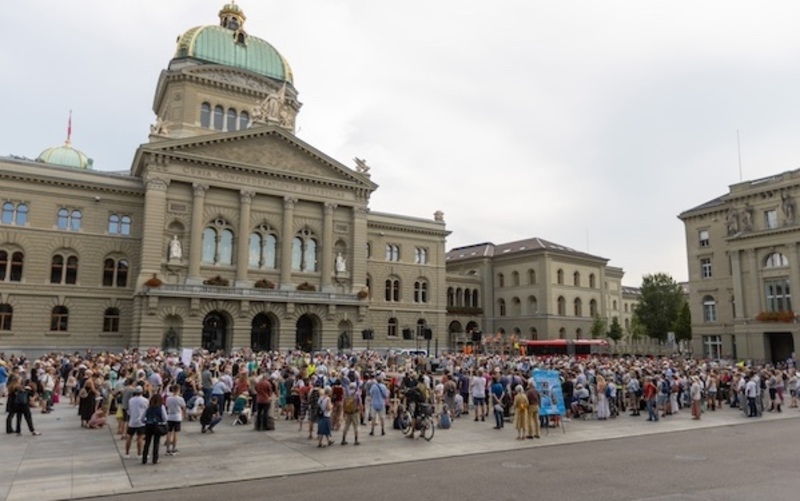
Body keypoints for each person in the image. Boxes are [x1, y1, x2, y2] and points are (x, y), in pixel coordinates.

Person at [142, 393, 167, 465]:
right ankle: (155, 459)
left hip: (148, 425)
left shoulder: (148, 408)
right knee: (156, 443)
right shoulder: (161, 407)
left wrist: (146, 421)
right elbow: (165, 418)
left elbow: (142, 418)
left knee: (147, 442)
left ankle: (144, 458)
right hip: (157, 426)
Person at [125, 386, 148, 458]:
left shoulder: (131, 400)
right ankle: (139, 453)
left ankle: (127, 453)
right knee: (140, 437)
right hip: (141, 421)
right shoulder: (145, 400)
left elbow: (129, 410)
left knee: (129, 437)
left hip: (132, 420)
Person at [164, 384, 186, 455]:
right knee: (175, 433)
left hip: (170, 416)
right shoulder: (180, 399)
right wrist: (183, 415)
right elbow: (183, 407)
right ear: (178, 390)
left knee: (169, 433)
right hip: (177, 416)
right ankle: (174, 448)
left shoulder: (168, 398)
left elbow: (167, 406)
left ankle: (168, 449)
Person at [340, 381, 361, 445]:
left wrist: (343, 412)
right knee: (356, 426)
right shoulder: (357, 394)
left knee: (346, 425)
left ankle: (343, 439)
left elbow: (343, 403)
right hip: (355, 412)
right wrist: (361, 411)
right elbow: (360, 403)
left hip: (347, 412)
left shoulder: (346, 394)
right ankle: (356, 440)